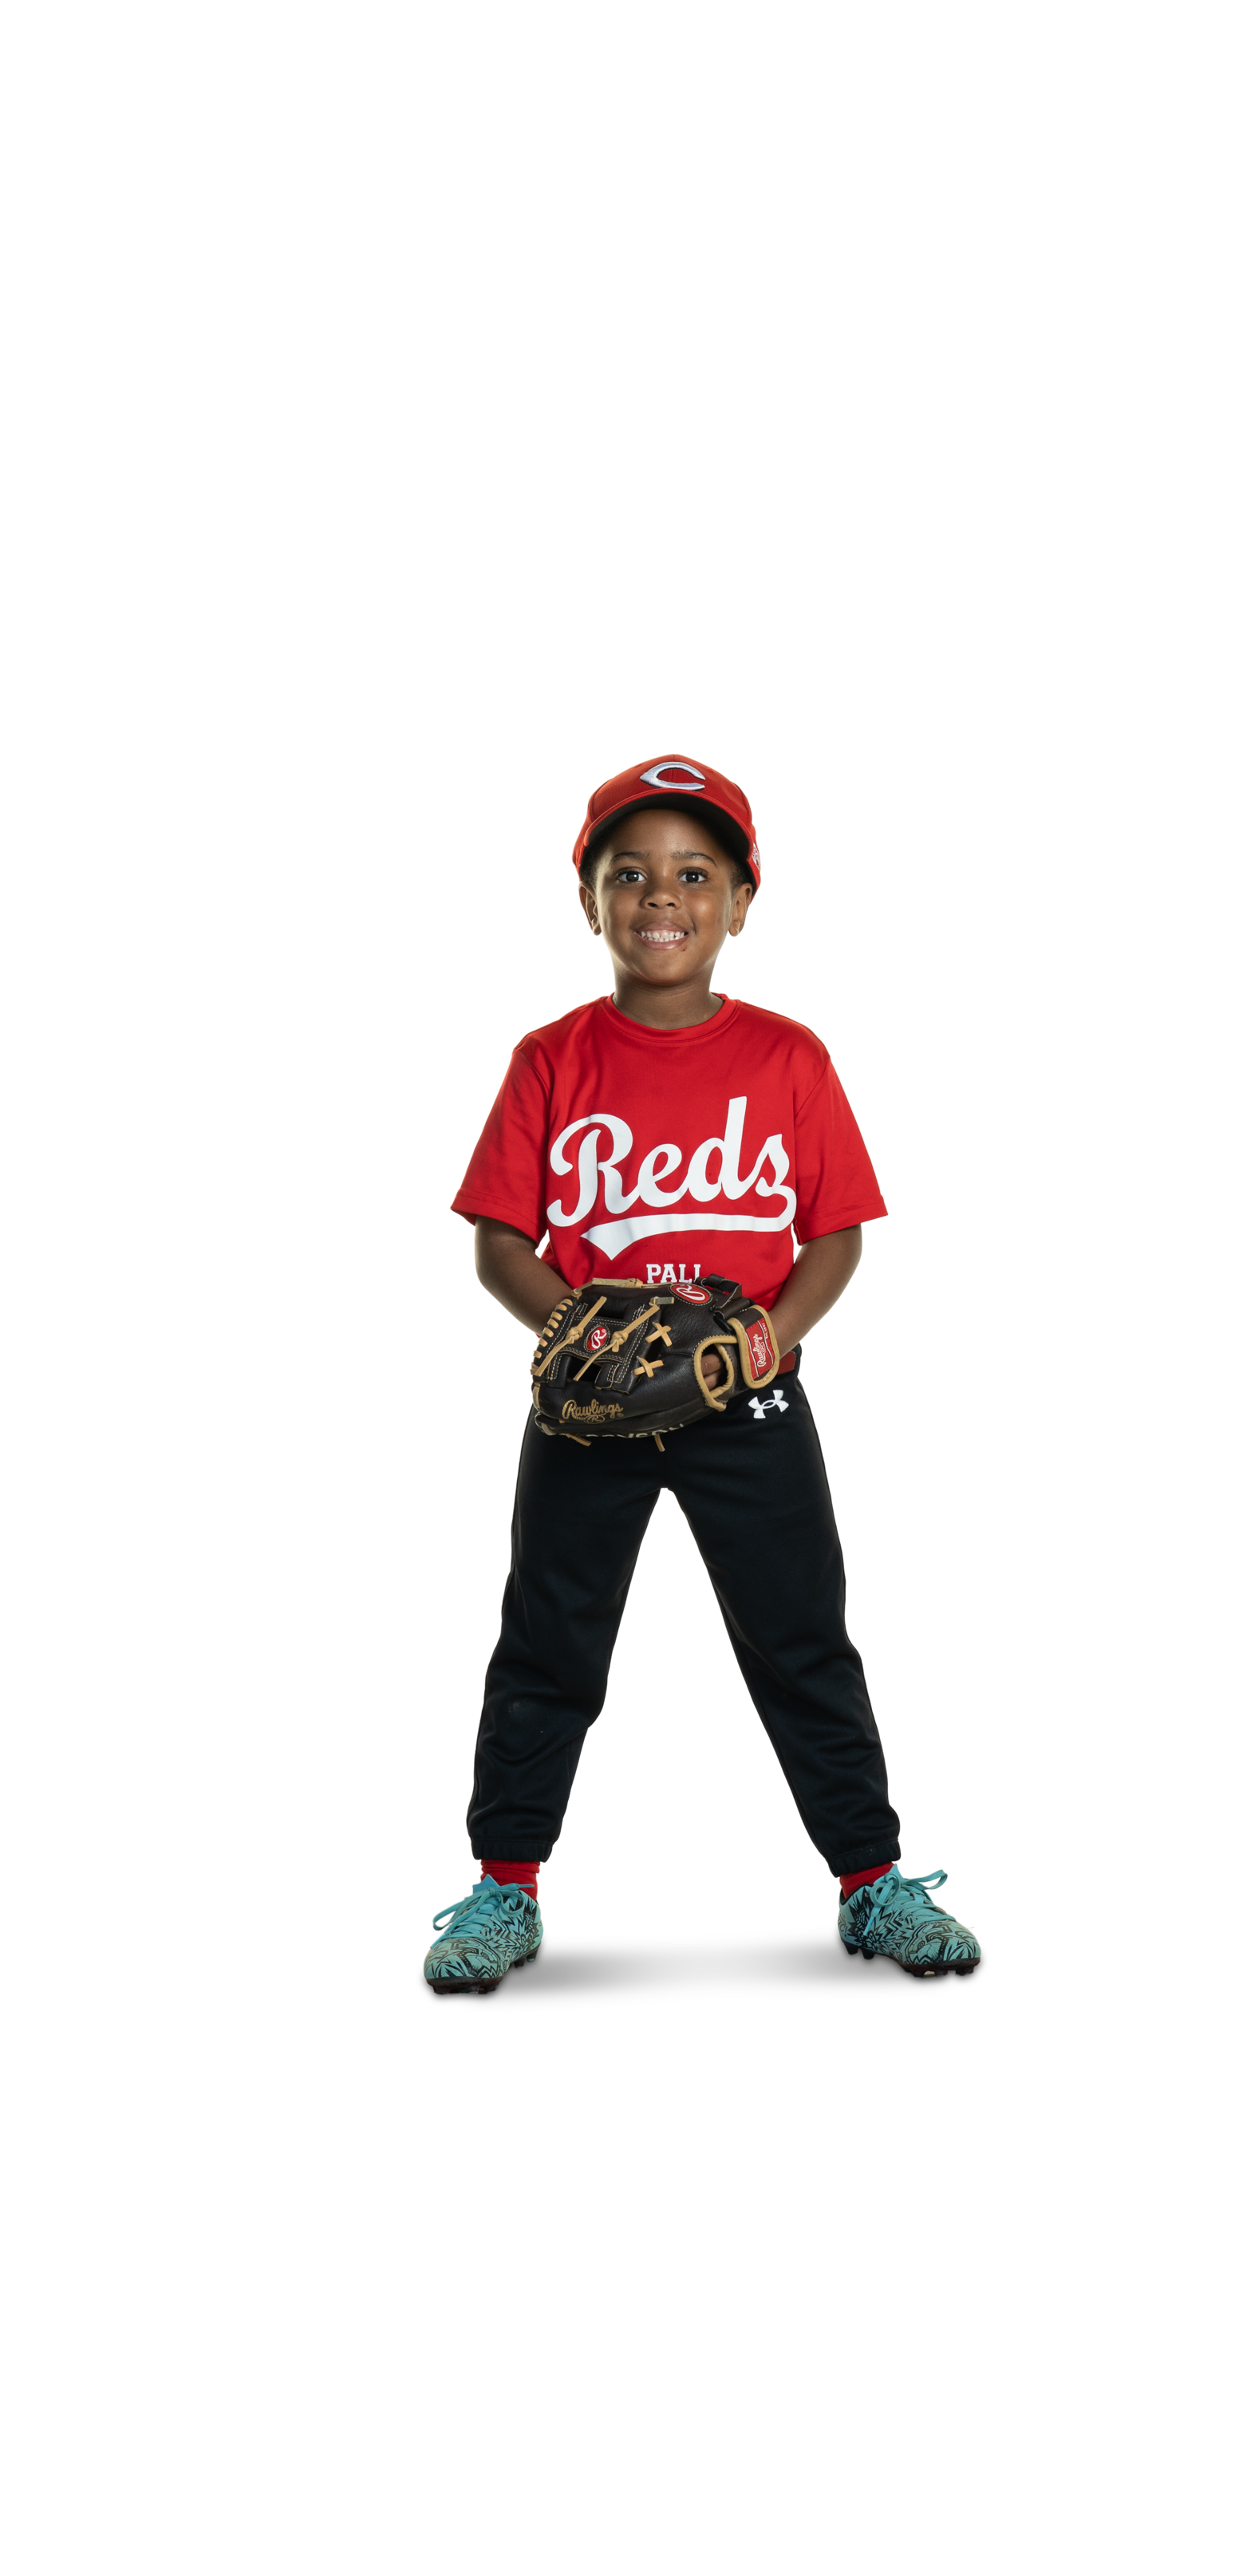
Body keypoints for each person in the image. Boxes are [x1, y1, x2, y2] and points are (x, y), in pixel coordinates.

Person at [422, 755, 981, 1994]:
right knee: (548, 1638)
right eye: (628, 874)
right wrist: (579, 1331)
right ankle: (504, 1889)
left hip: (752, 1397)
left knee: (802, 1636)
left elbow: (838, 1234)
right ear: (587, 901)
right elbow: (496, 1241)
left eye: (693, 872)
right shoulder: (548, 1056)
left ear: (741, 899)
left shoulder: (788, 1054)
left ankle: (872, 1883)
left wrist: (769, 1337)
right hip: (589, 1407)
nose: (659, 896)